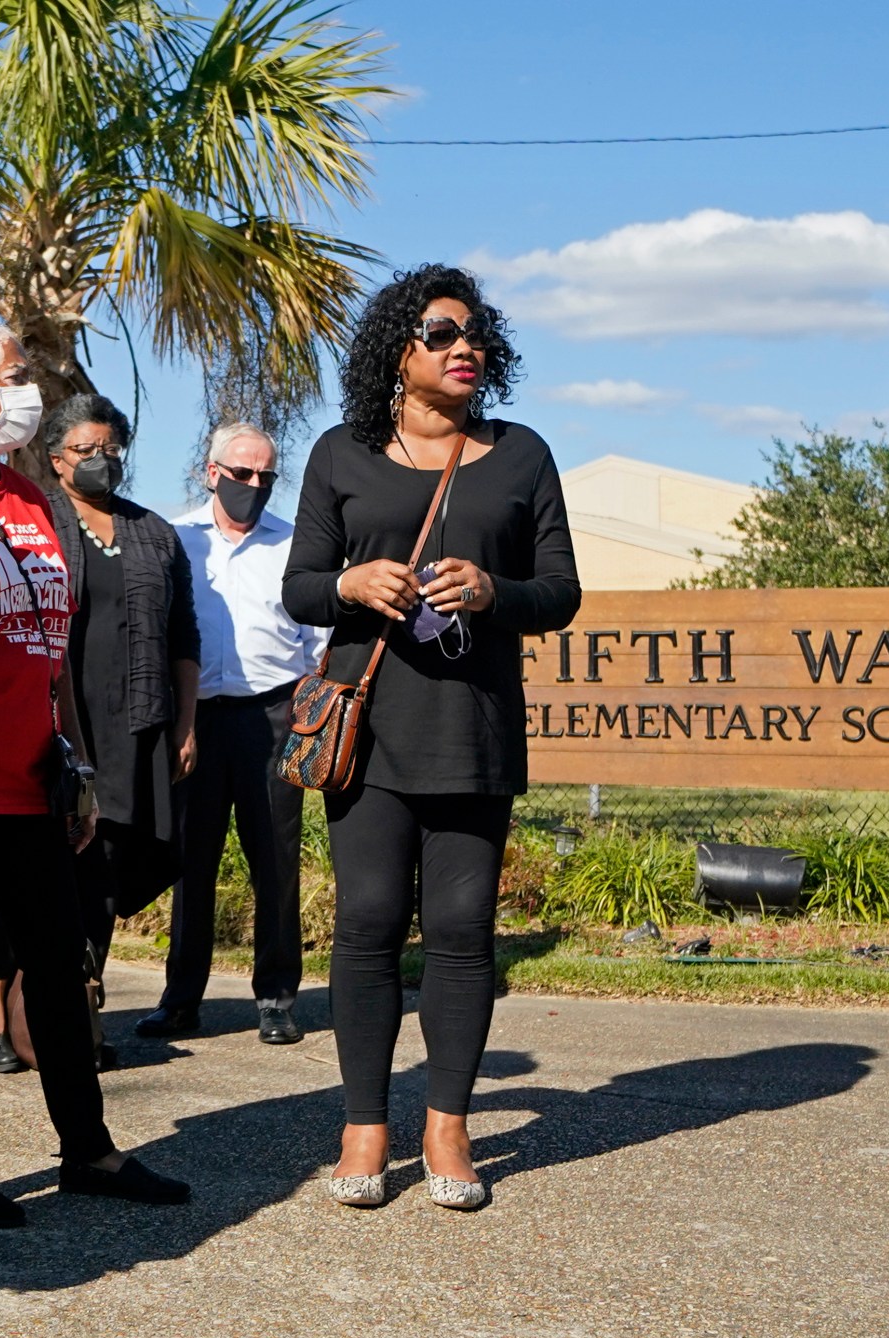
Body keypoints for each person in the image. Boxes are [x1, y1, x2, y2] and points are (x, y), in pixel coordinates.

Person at [279, 264, 580, 1213]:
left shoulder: (523, 455)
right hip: (366, 727)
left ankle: (447, 1125)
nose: (466, 349)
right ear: (398, 352)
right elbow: (299, 585)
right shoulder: (340, 453)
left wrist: (495, 593)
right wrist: (351, 586)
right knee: (366, 924)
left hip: (472, 729)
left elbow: (561, 593)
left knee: (460, 933)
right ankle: (364, 1120)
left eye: (476, 334)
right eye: (443, 333)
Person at [0, 289, 192, 1229]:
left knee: (60, 973)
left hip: (35, 783)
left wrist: (73, 761)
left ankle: (88, 1151)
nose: (28, 390)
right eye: (12, 376)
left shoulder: (30, 497)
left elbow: (50, 643)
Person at [0, 394, 198, 1061]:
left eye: (110, 450)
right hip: (50, 724)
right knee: (24, 861)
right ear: (56, 459)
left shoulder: (156, 533)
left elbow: (183, 637)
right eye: (86, 450)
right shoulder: (33, 520)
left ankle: (76, 1006)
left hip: (134, 728)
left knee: (102, 866)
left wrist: (186, 724)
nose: (101, 461)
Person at [151, 423, 326, 1045]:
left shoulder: (294, 545)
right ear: (212, 471)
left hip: (273, 719)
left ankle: (277, 996)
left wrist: (305, 712)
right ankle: (180, 1001)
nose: (253, 485)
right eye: (241, 473)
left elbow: (317, 642)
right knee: (190, 863)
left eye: (265, 476)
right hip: (196, 719)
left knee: (275, 862)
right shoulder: (176, 541)